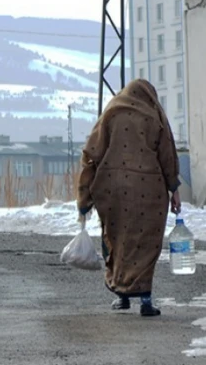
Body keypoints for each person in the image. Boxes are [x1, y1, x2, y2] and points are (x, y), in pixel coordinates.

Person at [77, 79, 182, 317]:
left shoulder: (111, 112)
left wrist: (84, 197)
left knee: (117, 239)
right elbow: (167, 156)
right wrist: (173, 188)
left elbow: (91, 154)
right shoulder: (155, 115)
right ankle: (145, 299)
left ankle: (122, 294)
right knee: (145, 243)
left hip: (113, 189)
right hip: (150, 189)